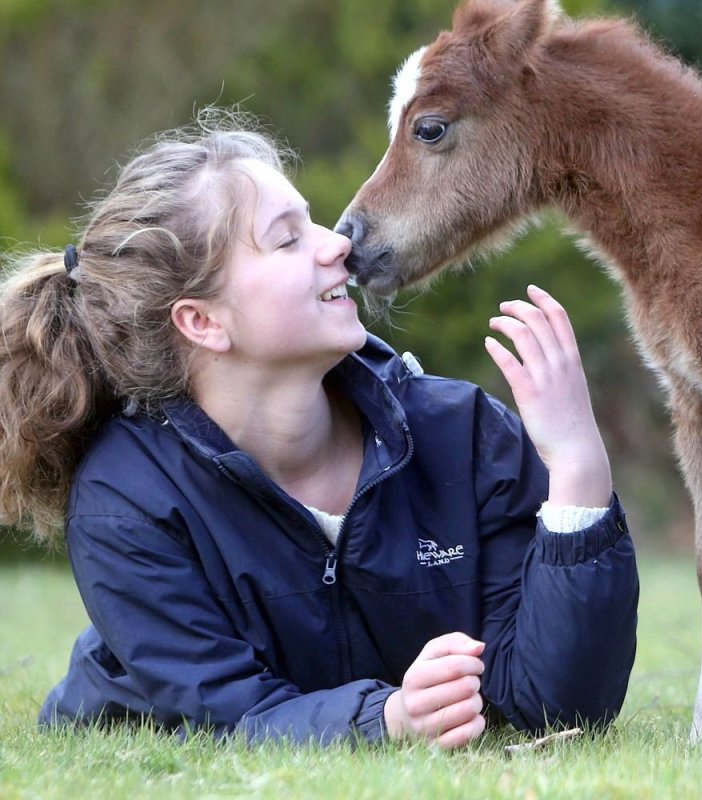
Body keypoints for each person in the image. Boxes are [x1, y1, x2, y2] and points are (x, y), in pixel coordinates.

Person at [0, 110, 638, 749]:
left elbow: (558, 709)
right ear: (201, 322)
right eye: (287, 239)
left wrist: (578, 467)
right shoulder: (125, 502)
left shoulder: (464, 435)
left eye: (311, 222)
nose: (336, 243)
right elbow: (229, 716)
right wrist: (388, 720)